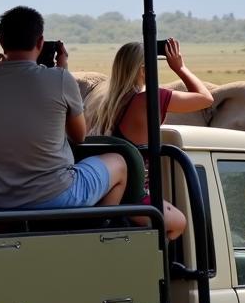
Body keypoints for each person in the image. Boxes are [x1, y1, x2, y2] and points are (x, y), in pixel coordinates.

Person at [0, 6, 127, 211]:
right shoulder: (59, 78)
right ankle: (99, 229)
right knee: (119, 163)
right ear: (40, 42)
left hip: (3, 202)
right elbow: (79, 136)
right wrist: (63, 72)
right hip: (57, 196)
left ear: (1, 42)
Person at [89, 40, 213, 240]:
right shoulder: (149, 99)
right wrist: (179, 67)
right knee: (178, 222)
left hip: (113, 189)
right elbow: (205, 98)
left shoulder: (111, 101)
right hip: (134, 194)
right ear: (144, 70)